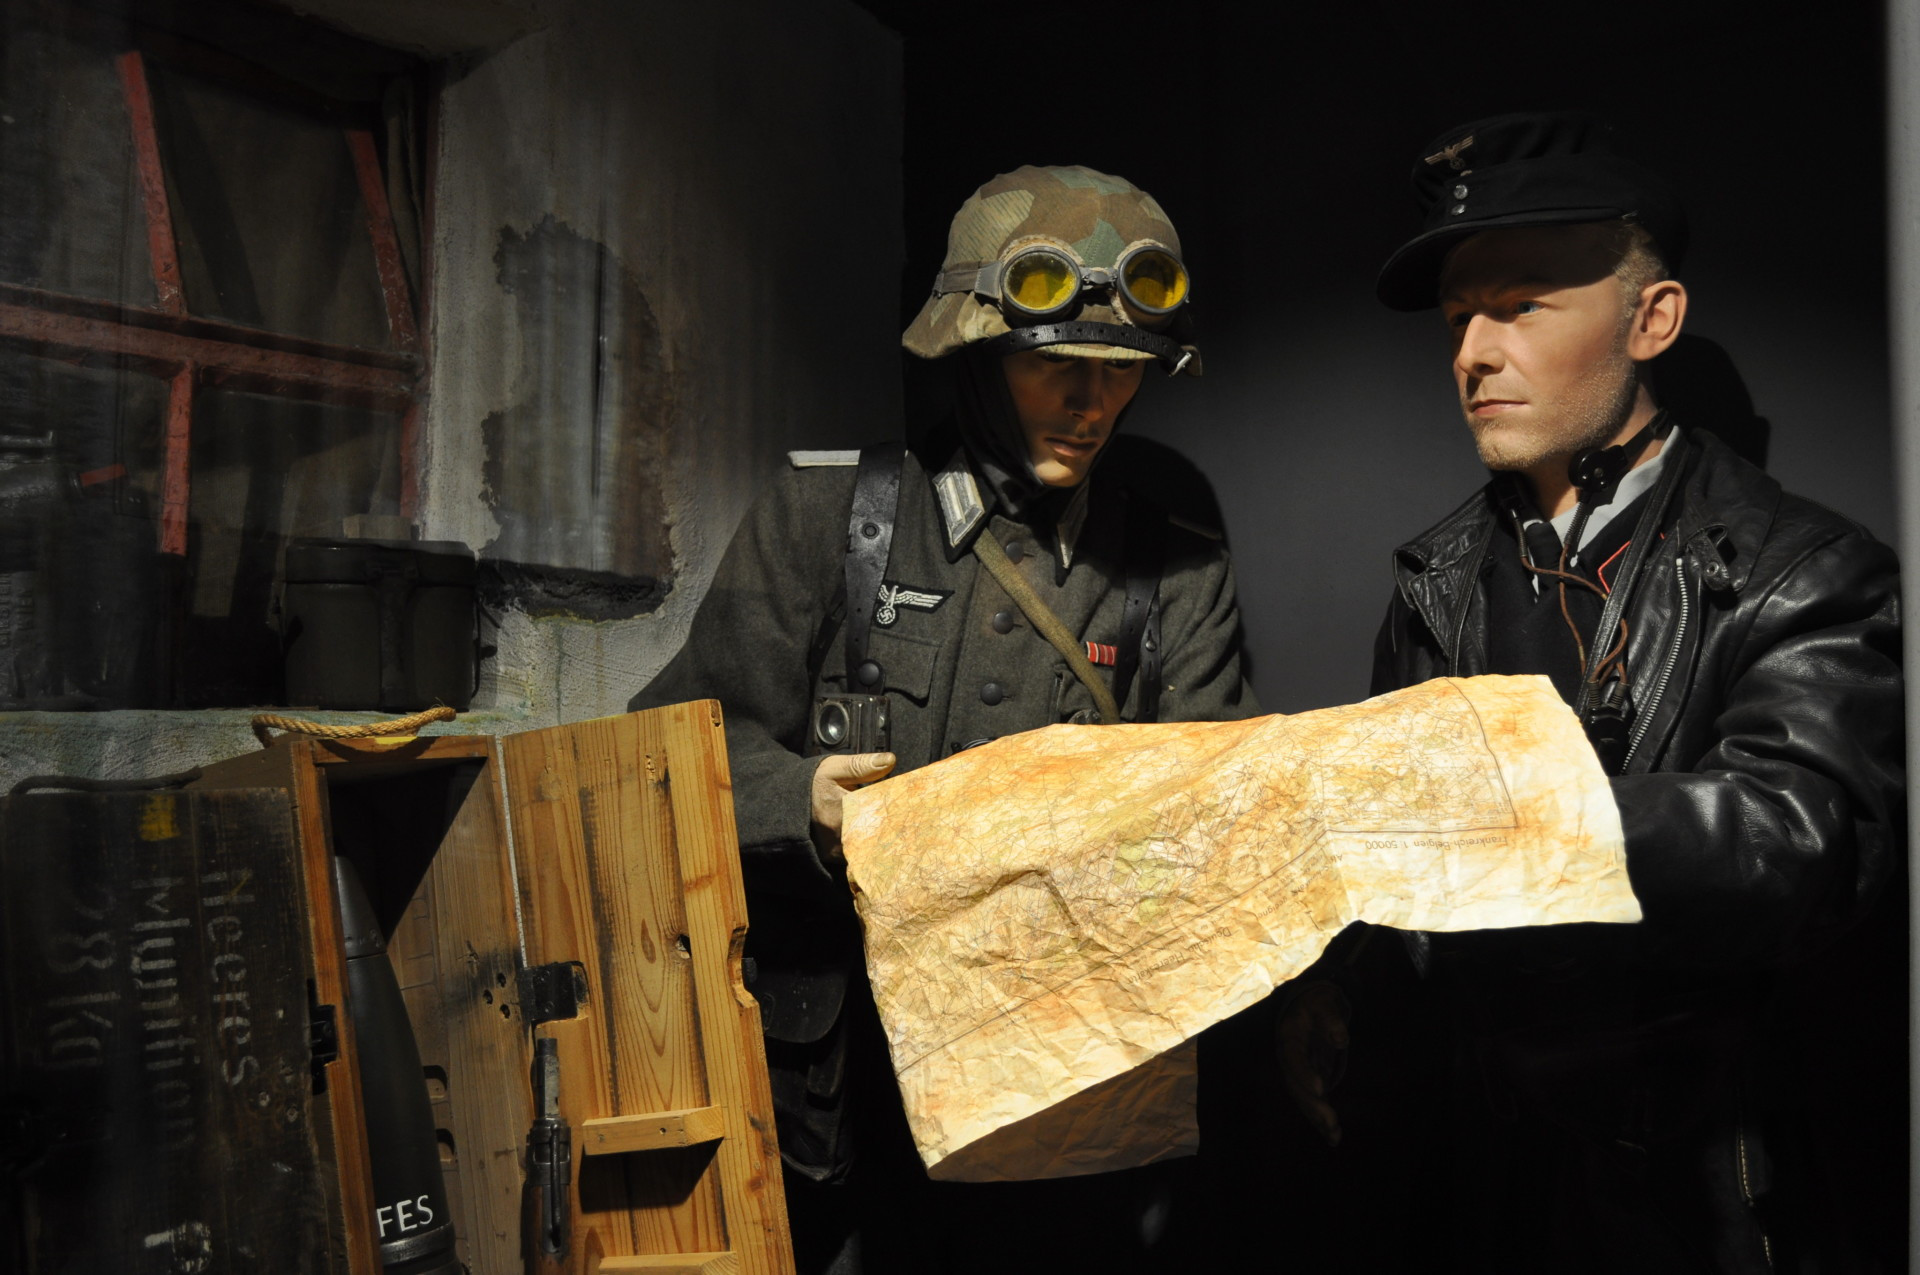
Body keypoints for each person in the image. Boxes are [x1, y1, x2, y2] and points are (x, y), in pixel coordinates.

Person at [1280, 111, 1904, 1272]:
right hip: (1471, 1176)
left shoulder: (1802, 569)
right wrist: (1337, 987)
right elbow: (1382, 840)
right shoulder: (1435, 580)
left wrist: (1519, 807)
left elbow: (1802, 842)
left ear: (1651, 319)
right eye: (1460, 317)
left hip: (1693, 1188)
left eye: (1521, 306)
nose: (1473, 353)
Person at [632, 164, 1255, 1274]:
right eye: (1057, 365)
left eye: (1122, 372)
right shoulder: (833, 515)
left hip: (1056, 1094)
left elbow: (1218, 815)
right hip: (838, 1107)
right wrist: (801, 799)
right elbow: (665, 748)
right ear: (974, 352)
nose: (1094, 404)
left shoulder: (1175, 569)